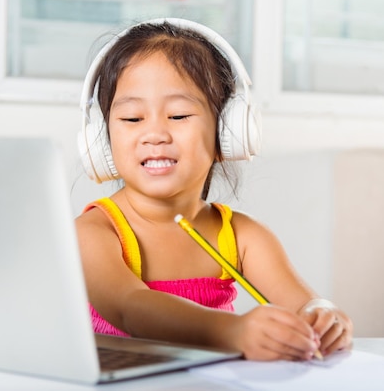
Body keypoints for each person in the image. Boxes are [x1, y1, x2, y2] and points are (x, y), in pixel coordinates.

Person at [75, 18, 352, 361]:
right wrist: (232, 331)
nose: (155, 134)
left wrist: (323, 316)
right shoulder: (93, 232)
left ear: (227, 134)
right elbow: (130, 309)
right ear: (103, 142)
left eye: (178, 116)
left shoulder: (242, 235)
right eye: (132, 119)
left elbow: (302, 304)